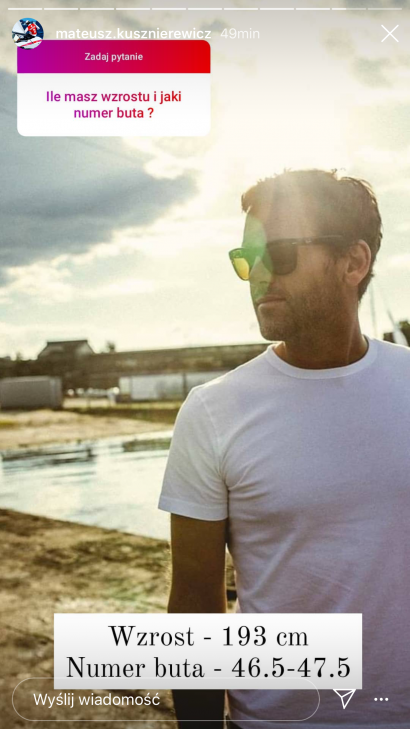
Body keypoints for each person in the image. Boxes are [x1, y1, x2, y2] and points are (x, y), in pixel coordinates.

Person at [158, 169, 410, 728]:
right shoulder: (213, 411)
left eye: (280, 253)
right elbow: (195, 603)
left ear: (354, 261)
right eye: (246, 259)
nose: (258, 275)